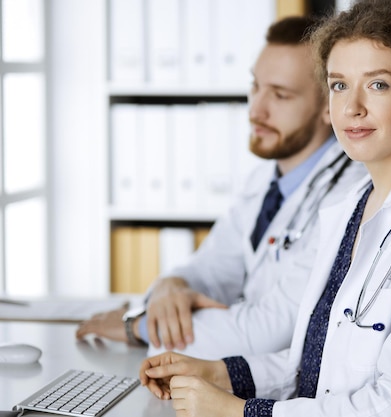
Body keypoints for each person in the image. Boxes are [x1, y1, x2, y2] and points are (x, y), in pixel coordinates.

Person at [138, 0, 391, 416]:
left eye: (378, 85)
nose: (352, 107)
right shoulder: (351, 205)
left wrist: (240, 411)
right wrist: (219, 374)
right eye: (339, 85)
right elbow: (310, 366)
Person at [76, 16, 367, 360]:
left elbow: (272, 331)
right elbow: (211, 269)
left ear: (327, 106)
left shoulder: (351, 194)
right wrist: (172, 287)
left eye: (280, 95)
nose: (256, 110)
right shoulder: (263, 182)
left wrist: (138, 327)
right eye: (255, 86)